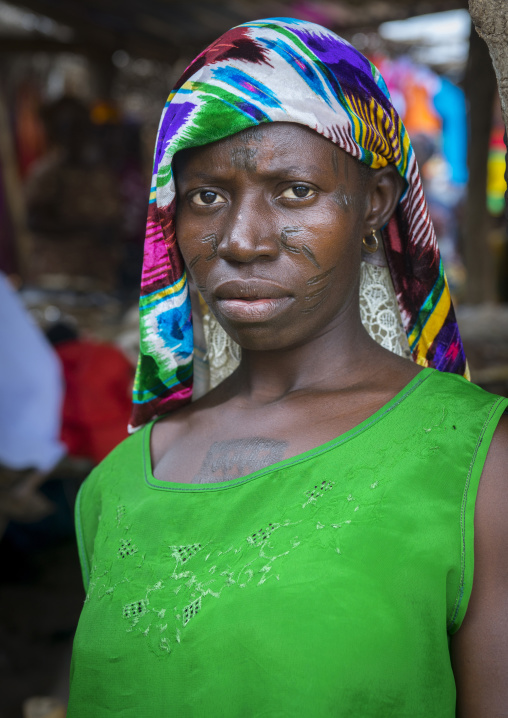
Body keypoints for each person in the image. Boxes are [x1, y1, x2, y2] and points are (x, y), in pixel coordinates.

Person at [67, 18, 508, 717]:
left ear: (374, 202)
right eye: (206, 196)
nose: (241, 240)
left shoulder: (477, 467)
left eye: (294, 191)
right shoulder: (117, 487)